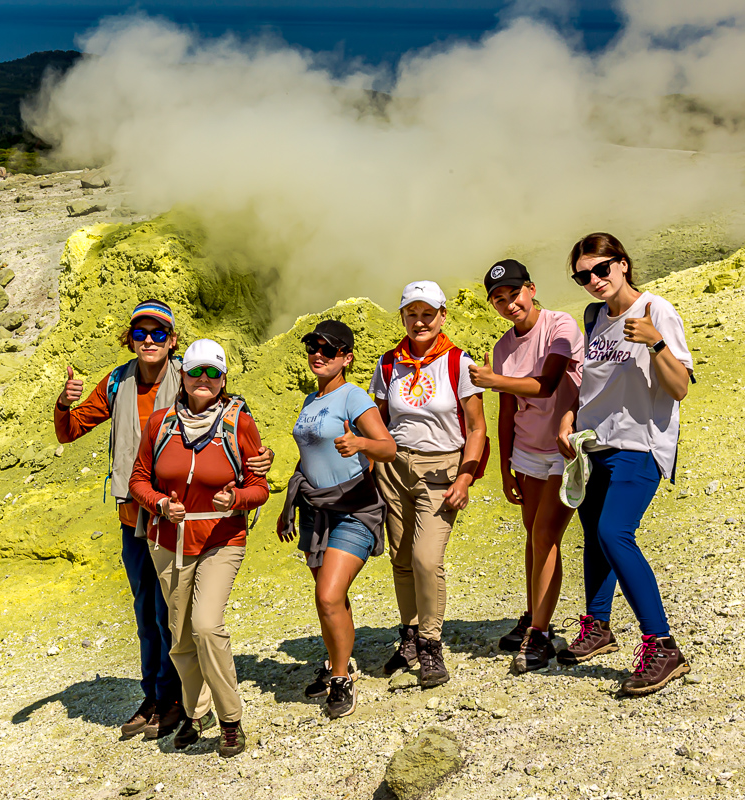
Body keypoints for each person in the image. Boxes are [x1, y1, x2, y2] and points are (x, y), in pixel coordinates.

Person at [54, 301, 273, 739]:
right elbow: (70, 430)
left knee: (170, 614)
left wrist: (262, 460)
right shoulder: (117, 382)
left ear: (173, 341)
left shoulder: (192, 376)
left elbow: (234, 424)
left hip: (181, 518)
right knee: (149, 612)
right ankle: (155, 698)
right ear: (130, 340)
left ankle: (175, 701)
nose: (149, 340)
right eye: (140, 333)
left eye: (158, 333)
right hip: (137, 511)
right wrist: (64, 404)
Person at [556, 233, 693, 696]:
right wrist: (570, 419)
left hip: (639, 446)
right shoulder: (594, 316)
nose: (594, 280)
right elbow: (591, 385)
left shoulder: (656, 311)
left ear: (623, 264)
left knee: (615, 532)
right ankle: (598, 626)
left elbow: (680, 387)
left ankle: (663, 646)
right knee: (596, 537)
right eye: (583, 276)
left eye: (601, 269)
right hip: (594, 446)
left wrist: (656, 343)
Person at [130, 338, 270, 757]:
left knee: (207, 626)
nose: (203, 379)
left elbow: (259, 487)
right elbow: (138, 479)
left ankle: (230, 720)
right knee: (179, 636)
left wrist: (236, 499)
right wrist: (159, 504)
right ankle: (196, 712)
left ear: (223, 378)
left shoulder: (239, 423)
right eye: (196, 371)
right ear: (183, 375)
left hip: (220, 538)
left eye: (213, 372)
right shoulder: (160, 424)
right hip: (168, 540)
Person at [370, 281, 488, 688]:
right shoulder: (389, 364)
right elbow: (378, 420)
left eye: (427, 314)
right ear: (402, 317)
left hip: (440, 470)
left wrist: (466, 477)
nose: (419, 322)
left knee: (426, 559)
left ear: (442, 315)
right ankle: (410, 636)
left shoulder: (458, 362)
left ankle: (431, 644)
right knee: (402, 559)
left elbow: (477, 428)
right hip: (394, 468)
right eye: (411, 314)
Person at [468, 259, 584, 674]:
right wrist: (505, 467)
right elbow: (506, 412)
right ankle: (536, 613)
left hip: (564, 448)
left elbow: (548, 384)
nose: (509, 304)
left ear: (531, 289)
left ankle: (539, 633)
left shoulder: (560, 325)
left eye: (514, 294)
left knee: (545, 534)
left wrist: (494, 380)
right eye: (498, 299)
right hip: (528, 452)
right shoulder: (502, 348)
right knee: (533, 537)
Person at [277, 320, 396, 719]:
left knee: (328, 596)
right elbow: (310, 457)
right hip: (315, 511)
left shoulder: (353, 396)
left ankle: (342, 678)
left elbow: (388, 447)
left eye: (328, 350)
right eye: (313, 347)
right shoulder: (310, 400)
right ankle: (336, 661)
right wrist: (287, 507)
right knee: (331, 598)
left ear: (346, 358)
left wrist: (360, 442)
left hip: (354, 508)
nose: (318, 355)